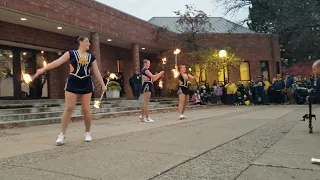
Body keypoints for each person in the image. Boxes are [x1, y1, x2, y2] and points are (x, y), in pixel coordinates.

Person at [34, 36, 106, 145]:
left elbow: (96, 72)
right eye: (87, 41)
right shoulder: (71, 53)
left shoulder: (91, 57)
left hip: (86, 83)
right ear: (80, 42)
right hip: (73, 82)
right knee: (69, 108)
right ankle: (61, 135)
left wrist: (103, 84)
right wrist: (44, 68)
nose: (89, 44)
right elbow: (57, 62)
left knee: (86, 109)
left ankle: (87, 133)